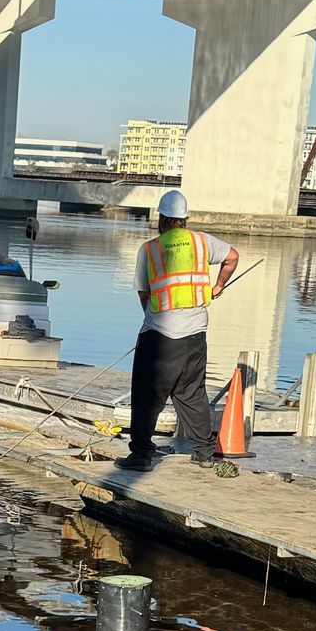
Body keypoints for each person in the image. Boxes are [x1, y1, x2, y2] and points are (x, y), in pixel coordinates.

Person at [125, 189, 238, 472]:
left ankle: (140, 455)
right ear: (185, 219)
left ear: (161, 218)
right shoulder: (202, 242)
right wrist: (219, 286)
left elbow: (143, 293)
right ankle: (204, 452)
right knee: (191, 392)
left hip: (160, 334)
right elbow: (233, 257)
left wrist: (152, 320)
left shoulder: (150, 249)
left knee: (147, 394)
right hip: (196, 331)